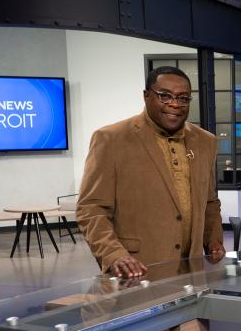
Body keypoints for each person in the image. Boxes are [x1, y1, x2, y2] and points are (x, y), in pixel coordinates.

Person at [77, 66, 225, 278]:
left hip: (191, 273)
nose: (174, 104)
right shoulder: (110, 139)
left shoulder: (205, 141)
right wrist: (113, 254)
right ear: (146, 96)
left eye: (183, 98)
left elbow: (209, 201)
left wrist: (213, 239)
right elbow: (91, 209)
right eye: (165, 96)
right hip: (137, 272)